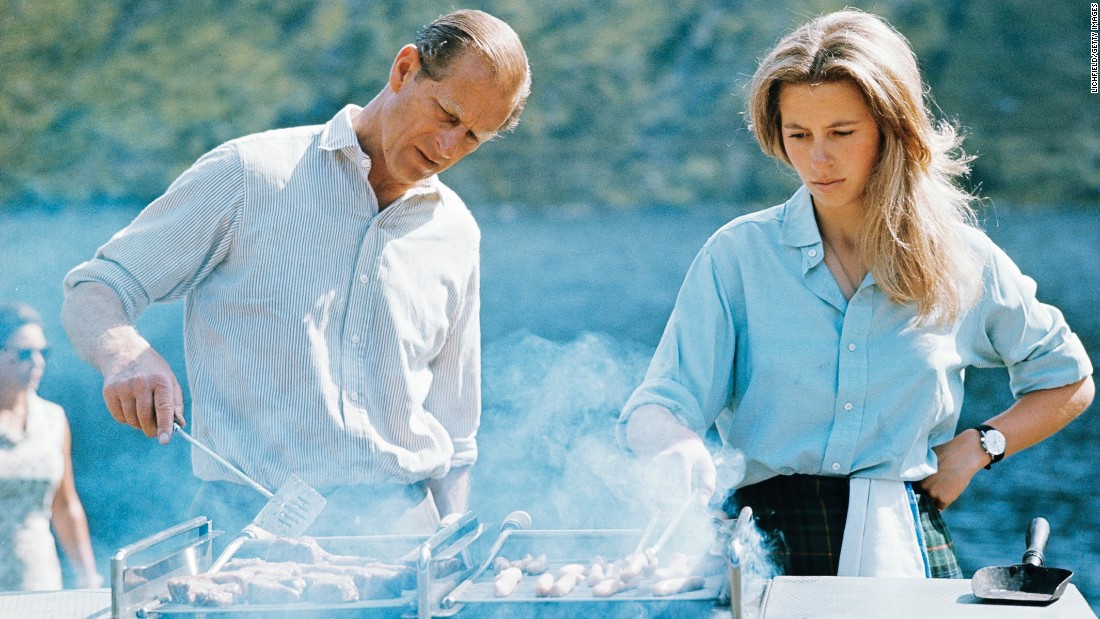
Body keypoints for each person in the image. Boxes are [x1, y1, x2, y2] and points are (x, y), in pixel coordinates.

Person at [619, 9, 1094, 579]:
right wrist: (672, 441)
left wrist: (979, 447)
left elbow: (1068, 378)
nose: (818, 158)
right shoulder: (737, 257)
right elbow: (659, 403)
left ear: (891, 129)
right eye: (799, 135)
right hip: (761, 549)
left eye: (841, 133)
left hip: (907, 545)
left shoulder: (964, 260)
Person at [61, 10, 531, 538]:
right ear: (404, 70)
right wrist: (123, 349)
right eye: (447, 114)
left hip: (402, 534)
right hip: (250, 527)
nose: (449, 148)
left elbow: (455, 436)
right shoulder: (249, 175)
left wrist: (448, 548)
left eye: (472, 137)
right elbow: (96, 286)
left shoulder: (456, 233)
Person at [0, 303, 101, 591]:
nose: (37, 363)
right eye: (23, 354)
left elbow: (65, 504)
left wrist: (88, 578)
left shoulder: (53, 418)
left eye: (42, 352)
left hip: (38, 579)